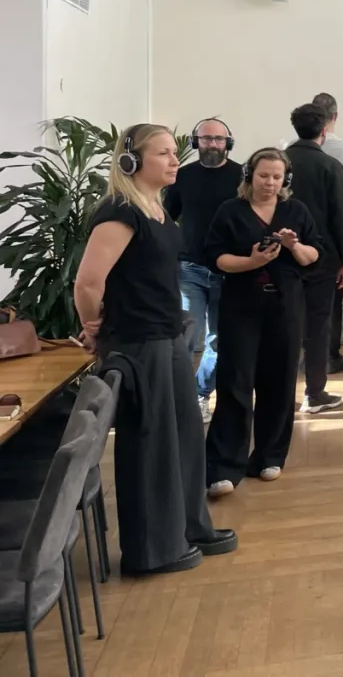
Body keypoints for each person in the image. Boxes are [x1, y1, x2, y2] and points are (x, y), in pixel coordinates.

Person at [75, 124, 237, 575]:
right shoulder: (119, 211)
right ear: (131, 161)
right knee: (152, 445)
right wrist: (93, 327)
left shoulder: (157, 208)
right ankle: (152, 551)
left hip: (168, 335)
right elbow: (88, 282)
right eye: (163, 153)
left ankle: (190, 527)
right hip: (138, 341)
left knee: (185, 438)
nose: (174, 160)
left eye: (173, 152)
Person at [204, 148, 322, 494]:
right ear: (249, 176)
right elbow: (215, 257)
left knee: (280, 381)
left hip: (285, 306)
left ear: (285, 179)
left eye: (276, 176)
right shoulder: (230, 210)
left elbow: (313, 255)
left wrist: (294, 246)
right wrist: (251, 262)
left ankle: (270, 456)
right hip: (241, 305)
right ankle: (224, 466)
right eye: (263, 175)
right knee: (235, 380)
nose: (270, 182)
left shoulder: (296, 211)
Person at [164, 117, 242, 423]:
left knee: (218, 340)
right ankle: (178, 397)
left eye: (218, 139)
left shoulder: (242, 176)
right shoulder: (182, 176)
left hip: (229, 270)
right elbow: (167, 218)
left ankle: (200, 395)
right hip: (190, 269)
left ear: (228, 143)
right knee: (186, 335)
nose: (212, 144)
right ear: (195, 142)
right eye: (206, 139)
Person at [285, 103, 343, 414]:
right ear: (324, 130)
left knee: (284, 326)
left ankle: (282, 395)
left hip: (283, 255)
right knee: (317, 328)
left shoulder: (277, 162)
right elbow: (340, 216)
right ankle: (314, 393)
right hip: (322, 258)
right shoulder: (330, 165)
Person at [303, 93, 343, 374]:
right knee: (331, 296)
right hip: (335, 234)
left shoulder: (289, 149)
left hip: (298, 234)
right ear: (335, 117)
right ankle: (329, 355)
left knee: (299, 295)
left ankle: (303, 353)